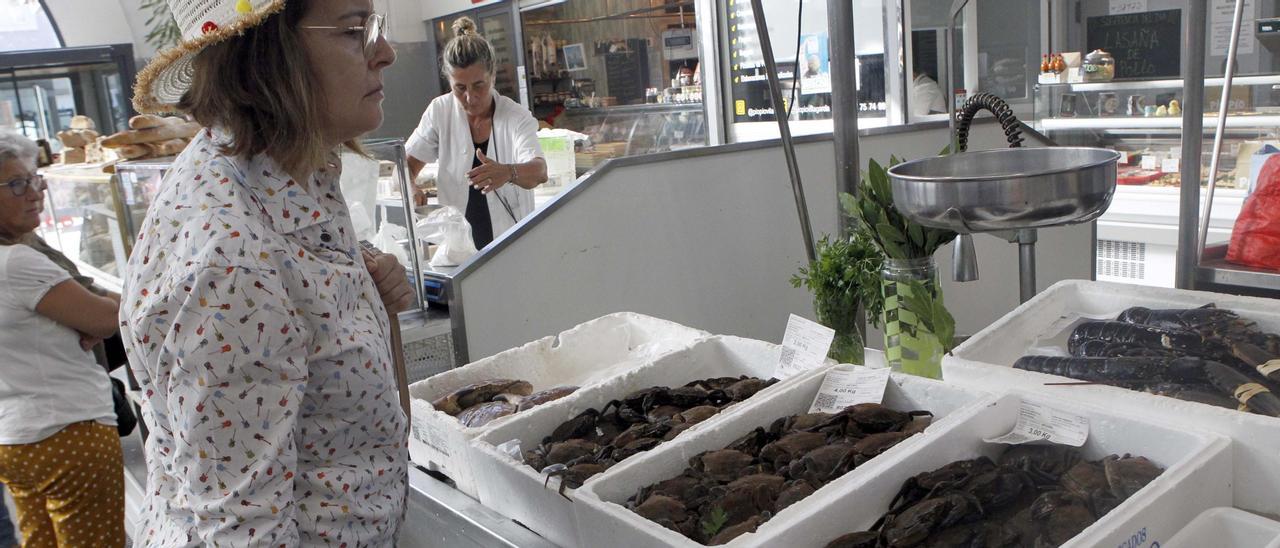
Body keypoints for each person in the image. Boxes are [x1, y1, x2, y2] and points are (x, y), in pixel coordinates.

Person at [124, 0, 413, 545]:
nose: (385, 52)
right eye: (355, 31)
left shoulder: (295, 172)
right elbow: (239, 532)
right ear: (266, 59)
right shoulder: (232, 263)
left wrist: (372, 304)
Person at [0, 129, 124, 547]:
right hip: (69, 430)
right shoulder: (18, 263)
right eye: (16, 184)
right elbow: (107, 317)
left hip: (15, 438)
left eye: (34, 179)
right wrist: (92, 316)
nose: (34, 192)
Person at [406, 16, 548, 250]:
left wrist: (508, 172)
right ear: (449, 82)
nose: (469, 97)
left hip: (510, 244)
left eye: (478, 85)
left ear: (493, 76)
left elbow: (540, 172)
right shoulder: (439, 111)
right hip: (456, 247)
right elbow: (406, 166)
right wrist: (410, 187)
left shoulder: (516, 117)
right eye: (459, 88)